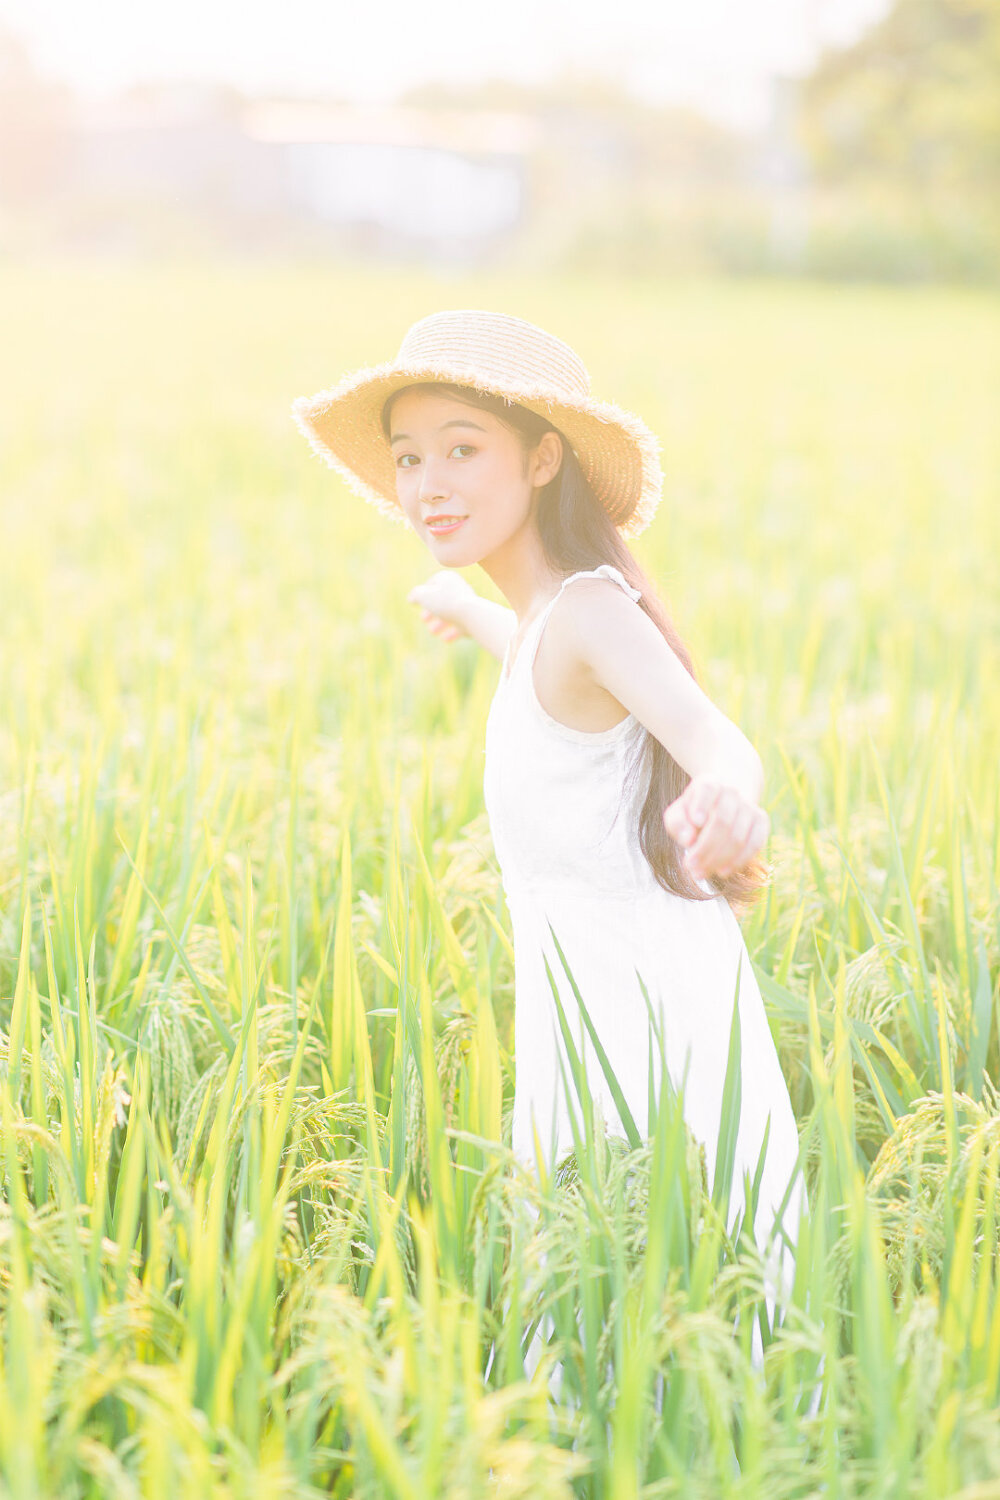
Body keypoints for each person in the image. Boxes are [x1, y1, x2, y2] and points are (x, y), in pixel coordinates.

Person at [292, 308, 808, 1386]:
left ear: (541, 458)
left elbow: (714, 736)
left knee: (664, 1337)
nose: (427, 482)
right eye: (407, 457)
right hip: (581, 1028)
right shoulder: (537, 623)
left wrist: (734, 802)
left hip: (647, 1038)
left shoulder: (586, 613)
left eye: (461, 448)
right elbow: (534, 663)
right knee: (596, 1325)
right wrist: (459, 606)